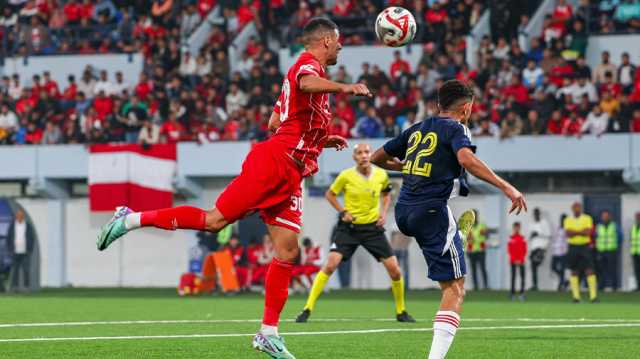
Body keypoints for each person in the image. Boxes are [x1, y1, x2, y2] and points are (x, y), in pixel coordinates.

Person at [96, 18, 372, 359]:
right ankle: (130, 218)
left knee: (287, 251)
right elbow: (307, 83)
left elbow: (275, 122)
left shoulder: (306, 75)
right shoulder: (307, 65)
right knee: (213, 221)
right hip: (275, 163)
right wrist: (344, 88)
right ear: (327, 40)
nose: (342, 47)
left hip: (292, 169)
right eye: (339, 41)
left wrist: (320, 139)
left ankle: (268, 333)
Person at [371, 80, 527, 359]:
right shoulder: (457, 127)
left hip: (404, 211)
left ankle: (455, 238)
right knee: (455, 290)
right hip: (431, 211)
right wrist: (506, 187)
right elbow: (466, 160)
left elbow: (376, 157)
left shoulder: (416, 128)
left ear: (437, 105)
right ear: (466, 109)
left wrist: (403, 165)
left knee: (448, 251)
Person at [296, 143, 415, 323]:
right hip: (349, 229)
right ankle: (307, 309)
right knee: (330, 265)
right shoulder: (346, 175)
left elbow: (386, 194)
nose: (364, 155)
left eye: (366, 152)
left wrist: (383, 213)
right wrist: (343, 212)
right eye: (359, 153)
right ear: (354, 157)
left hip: (372, 229)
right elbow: (330, 194)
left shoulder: (381, 175)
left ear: (370, 154)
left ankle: (401, 311)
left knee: (395, 270)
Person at [564, 202, 598, 303]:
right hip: (573, 247)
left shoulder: (587, 218)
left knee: (590, 270)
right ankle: (576, 297)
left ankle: (593, 297)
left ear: (581, 208)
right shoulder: (568, 220)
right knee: (574, 271)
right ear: (572, 209)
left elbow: (588, 232)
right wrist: (581, 232)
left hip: (585, 247)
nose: (576, 209)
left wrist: (575, 232)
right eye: (575, 207)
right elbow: (568, 234)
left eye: (578, 207)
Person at [7, 209, 35, 292]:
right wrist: (10, 249)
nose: (19, 217)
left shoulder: (28, 226)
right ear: (16, 216)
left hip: (25, 252)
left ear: (23, 216)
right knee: (15, 270)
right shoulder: (12, 226)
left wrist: (29, 249)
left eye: (21, 215)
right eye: (18, 215)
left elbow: (32, 238)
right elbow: (9, 238)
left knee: (26, 270)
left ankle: (27, 287)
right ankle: (15, 287)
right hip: (15, 252)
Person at [594, 210, 622, 292]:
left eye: (606, 216)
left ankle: (614, 286)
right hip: (601, 250)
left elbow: (620, 237)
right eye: (603, 216)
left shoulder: (614, 225)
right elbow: (595, 237)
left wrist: (616, 246)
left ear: (609, 216)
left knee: (612, 269)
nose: (605, 218)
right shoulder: (598, 226)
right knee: (601, 269)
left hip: (611, 250)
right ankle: (601, 286)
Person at [528, 208, 550, 291]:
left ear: (539, 214)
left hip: (541, 247)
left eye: (537, 213)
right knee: (533, 266)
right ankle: (535, 285)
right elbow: (530, 236)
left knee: (535, 264)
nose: (536, 215)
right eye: (534, 213)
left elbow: (548, 235)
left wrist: (538, 234)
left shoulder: (544, 222)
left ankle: (535, 284)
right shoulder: (531, 223)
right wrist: (532, 235)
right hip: (533, 247)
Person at [467, 210, 489, 290]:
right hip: (471, 251)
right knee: (473, 270)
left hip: (481, 250)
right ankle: (475, 287)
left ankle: (486, 286)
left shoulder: (482, 225)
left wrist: (485, 233)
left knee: (483, 269)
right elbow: (465, 238)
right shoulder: (468, 226)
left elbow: (487, 235)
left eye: (475, 215)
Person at [508, 222, 527, 301]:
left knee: (522, 277)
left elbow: (524, 250)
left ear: (520, 228)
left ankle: (522, 293)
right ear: (513, 228)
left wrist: (520, 259)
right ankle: (512, 294)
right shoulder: (510, 238)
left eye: (518, 227)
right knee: (513, 277)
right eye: (515, 227)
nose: (516, 229)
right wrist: (515, 259)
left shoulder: (523, 238)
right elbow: (509, 250)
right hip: (513, 260)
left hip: (521, 260)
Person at [550, 214, 568, 291]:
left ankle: (561, 285)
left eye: (563, 219)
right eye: (561, 219)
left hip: (563, 252)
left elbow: (567, 241)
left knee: (562, 269)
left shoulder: (567, 229)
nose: (562, 221)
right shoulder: (558, 228)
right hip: (555, 252)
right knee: (553, 267)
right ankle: (564, 281)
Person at [631, 212, 640, 291]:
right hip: (635, 252)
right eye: (637, 217)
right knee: (637, 270)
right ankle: (638, 286)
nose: (638, 219)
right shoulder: (634, 227)